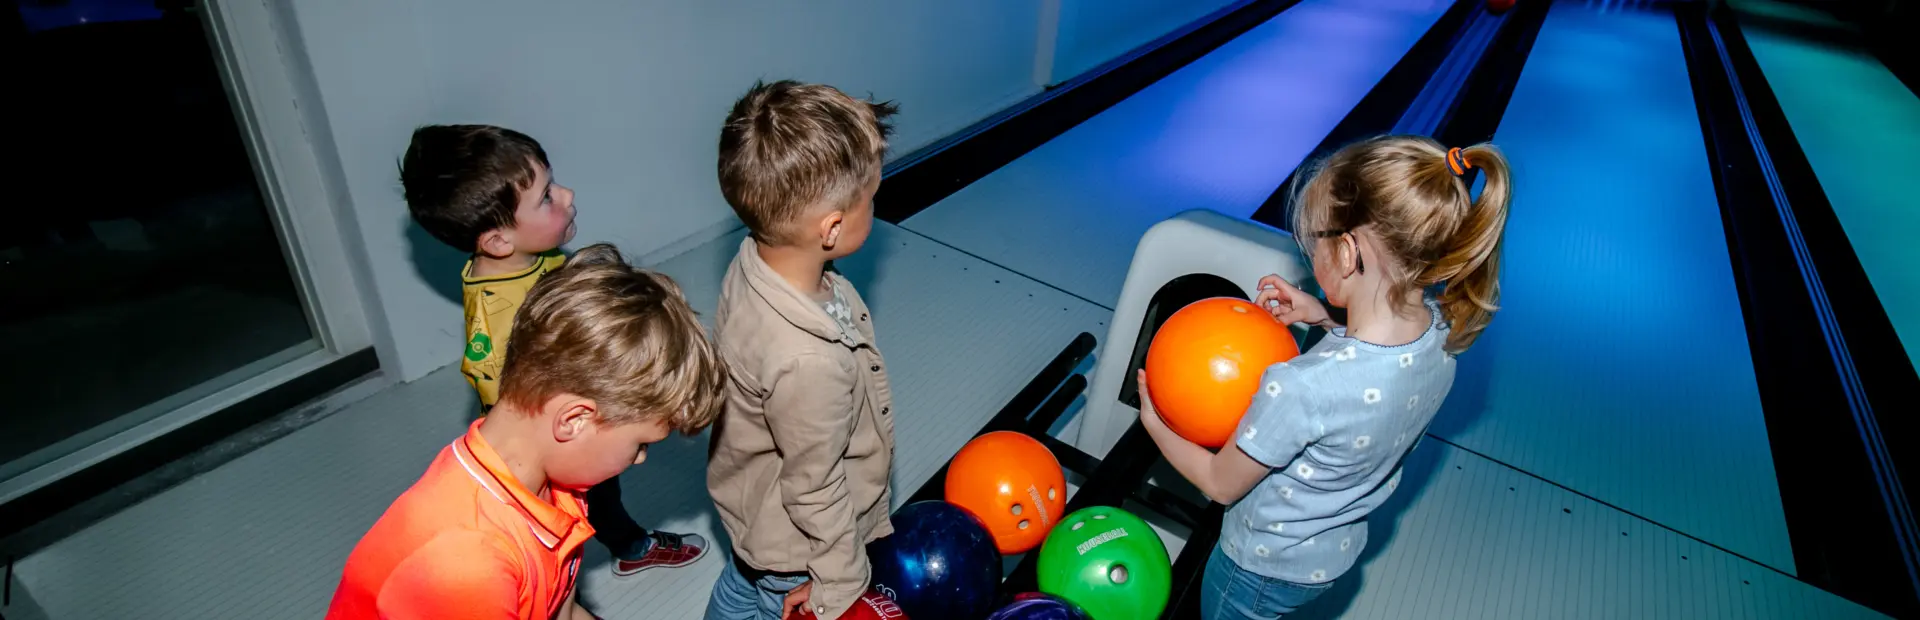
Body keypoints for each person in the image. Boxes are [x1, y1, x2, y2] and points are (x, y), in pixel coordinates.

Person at [1138, 136, 1512, 619]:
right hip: (1332, 552)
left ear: (1348, 251)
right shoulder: (1441, 336)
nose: (1310, 257)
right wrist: (1325, 318)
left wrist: (1157, 424)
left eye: (1314, 244)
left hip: (1256, 568)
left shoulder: (1300, 387)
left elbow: (1220, 482)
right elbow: (1375, 374)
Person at [326, 244, 728, 619]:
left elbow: (561, 609)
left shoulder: (560, 489)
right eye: (641, 444)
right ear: (574, 420)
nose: (640, 459)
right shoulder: (466, 569)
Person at [396, 124, 711, 576]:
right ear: (499, 241)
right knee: (587, 506)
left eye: (552, 182)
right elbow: (516, 410)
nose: (566, 194)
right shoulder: (499, 319)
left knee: (604, 491)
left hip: (580, 413)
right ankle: (626, 548)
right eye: (546, 196)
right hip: (559, 445)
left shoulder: (533, 256)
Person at [704, 80, 902, 620]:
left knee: (743, 582)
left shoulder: (754, 259)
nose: (874, 208)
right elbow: (815, 487)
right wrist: (840, 584)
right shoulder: (807, 361)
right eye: (870, 199)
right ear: (832, 228)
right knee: (774, 601)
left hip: (756, 515)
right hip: (798, 551)